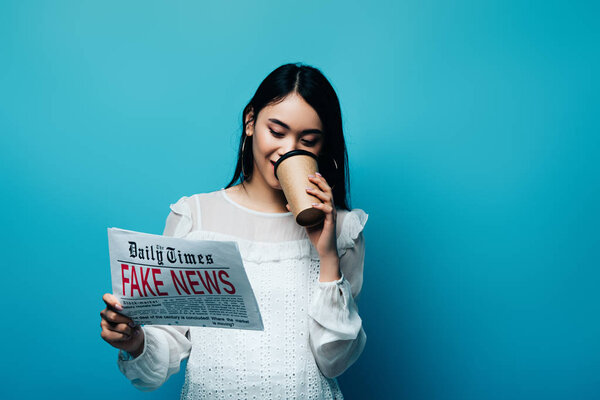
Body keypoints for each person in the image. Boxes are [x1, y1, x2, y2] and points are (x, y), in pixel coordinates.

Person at [100, 62, 368, 399]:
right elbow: (165, 346)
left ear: (322, 146)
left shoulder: (343, 230)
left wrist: (328, 255)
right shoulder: (195, 217)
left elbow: (335, 360)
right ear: (251, 122)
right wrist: (135, 341)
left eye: (307, 140)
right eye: (277, 131)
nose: (288, 149)